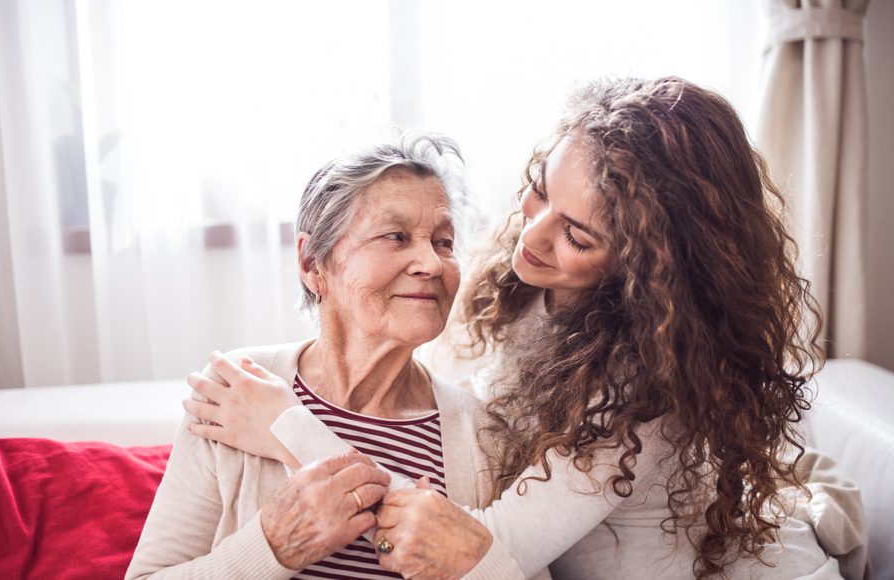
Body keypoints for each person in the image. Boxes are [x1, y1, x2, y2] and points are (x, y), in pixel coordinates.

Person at [186, 77, 848, 579]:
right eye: (540, 187)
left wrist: (286, 427)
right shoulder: (533, 287)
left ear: (649, 269)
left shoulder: (647, 385)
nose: (530, 235)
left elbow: (468, 547)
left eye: (578, 234)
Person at [125, 133, 538, 579]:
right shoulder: (237, 387)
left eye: (443, 242)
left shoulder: (485, 435)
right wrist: (272, 546)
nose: (432, 264)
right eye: (396, 237)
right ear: (312, 264)